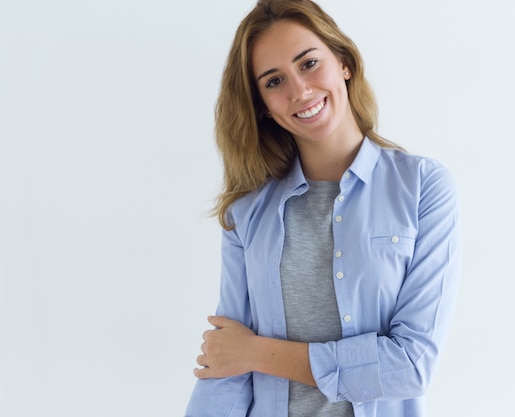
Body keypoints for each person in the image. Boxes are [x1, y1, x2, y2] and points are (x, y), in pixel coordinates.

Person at [185, 0, 461, 416]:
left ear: (344, 62)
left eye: (309, 63)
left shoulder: (423, 188)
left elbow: (410, 365)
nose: (299, 90)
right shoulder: (247, 211)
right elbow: (226, 364)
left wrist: (256, 352)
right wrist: (240, 355)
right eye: (274, 81)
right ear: (263, 105)